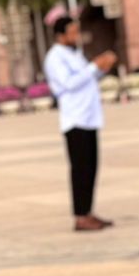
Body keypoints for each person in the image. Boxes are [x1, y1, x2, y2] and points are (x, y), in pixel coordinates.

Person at [43, 15, 118, 232]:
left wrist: (101, 69)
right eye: (73, 32)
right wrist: (94, 66)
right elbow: (68, 84)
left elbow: (87, 79)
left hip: (89, 117)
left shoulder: (75, 55)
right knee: (80, 170)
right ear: (61, 35)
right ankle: (80, 216)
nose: (77, 36)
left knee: (91, 168)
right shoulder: (55, 57)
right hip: (74, 120)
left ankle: (88, 211)